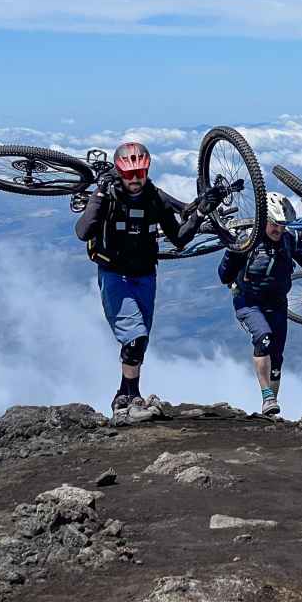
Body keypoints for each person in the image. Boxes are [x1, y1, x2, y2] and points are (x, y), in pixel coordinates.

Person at [75, 142, 224, 421]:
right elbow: (83, 232)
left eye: (140, 174)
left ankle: (124, 394)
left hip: (145, 274)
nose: (135, 180)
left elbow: (179, 237)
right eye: (129, 174)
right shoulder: (108, 196)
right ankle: (131, 398)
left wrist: (201, 213)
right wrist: (99, 194)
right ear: (119, 172)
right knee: (135, 338)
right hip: (114, 274)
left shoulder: (154, 198)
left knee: (139, 343)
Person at [218, 192, 302, 416]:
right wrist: (232, 249)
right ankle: (267, 396)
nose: (279, 230)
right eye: (275, 224)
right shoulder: (247, 240)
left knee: (277, 358)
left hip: (278, 304)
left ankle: (269, 410)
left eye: (283, 225)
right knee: (264, 339)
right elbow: (224, 276)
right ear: (264, 220)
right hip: (248, 302)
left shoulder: (288, 239)